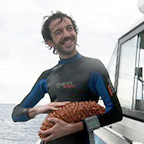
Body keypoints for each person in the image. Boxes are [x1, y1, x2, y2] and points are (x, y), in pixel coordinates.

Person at [12, 11, 123, 144]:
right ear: (50, 42)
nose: (66, 35)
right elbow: (16, 114)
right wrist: (38, 110)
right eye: (58, 32)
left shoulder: (94, 67)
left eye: (69, 28)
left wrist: (73, 128)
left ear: (75, 32)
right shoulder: (47, 76)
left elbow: (115, 113)